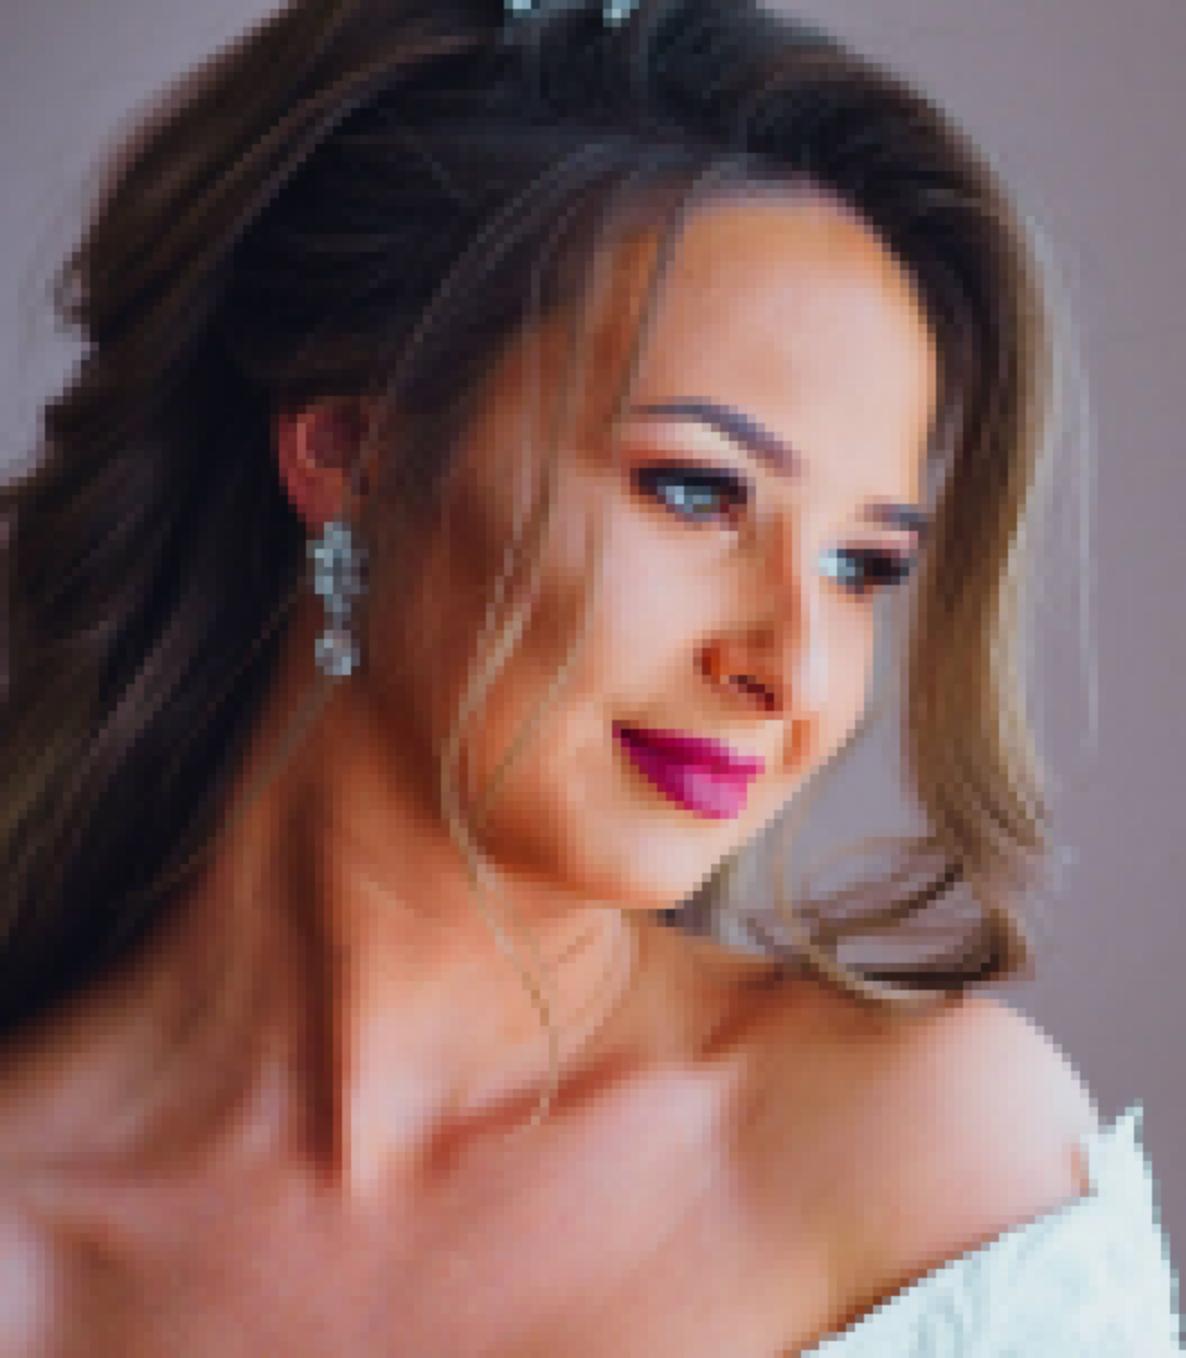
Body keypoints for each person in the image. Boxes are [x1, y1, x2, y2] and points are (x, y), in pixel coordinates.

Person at [0, 0, 1180, 1353]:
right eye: (698, 491)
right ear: (352, 449)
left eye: (862, 566)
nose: (793, 669)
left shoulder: (928, 1165)